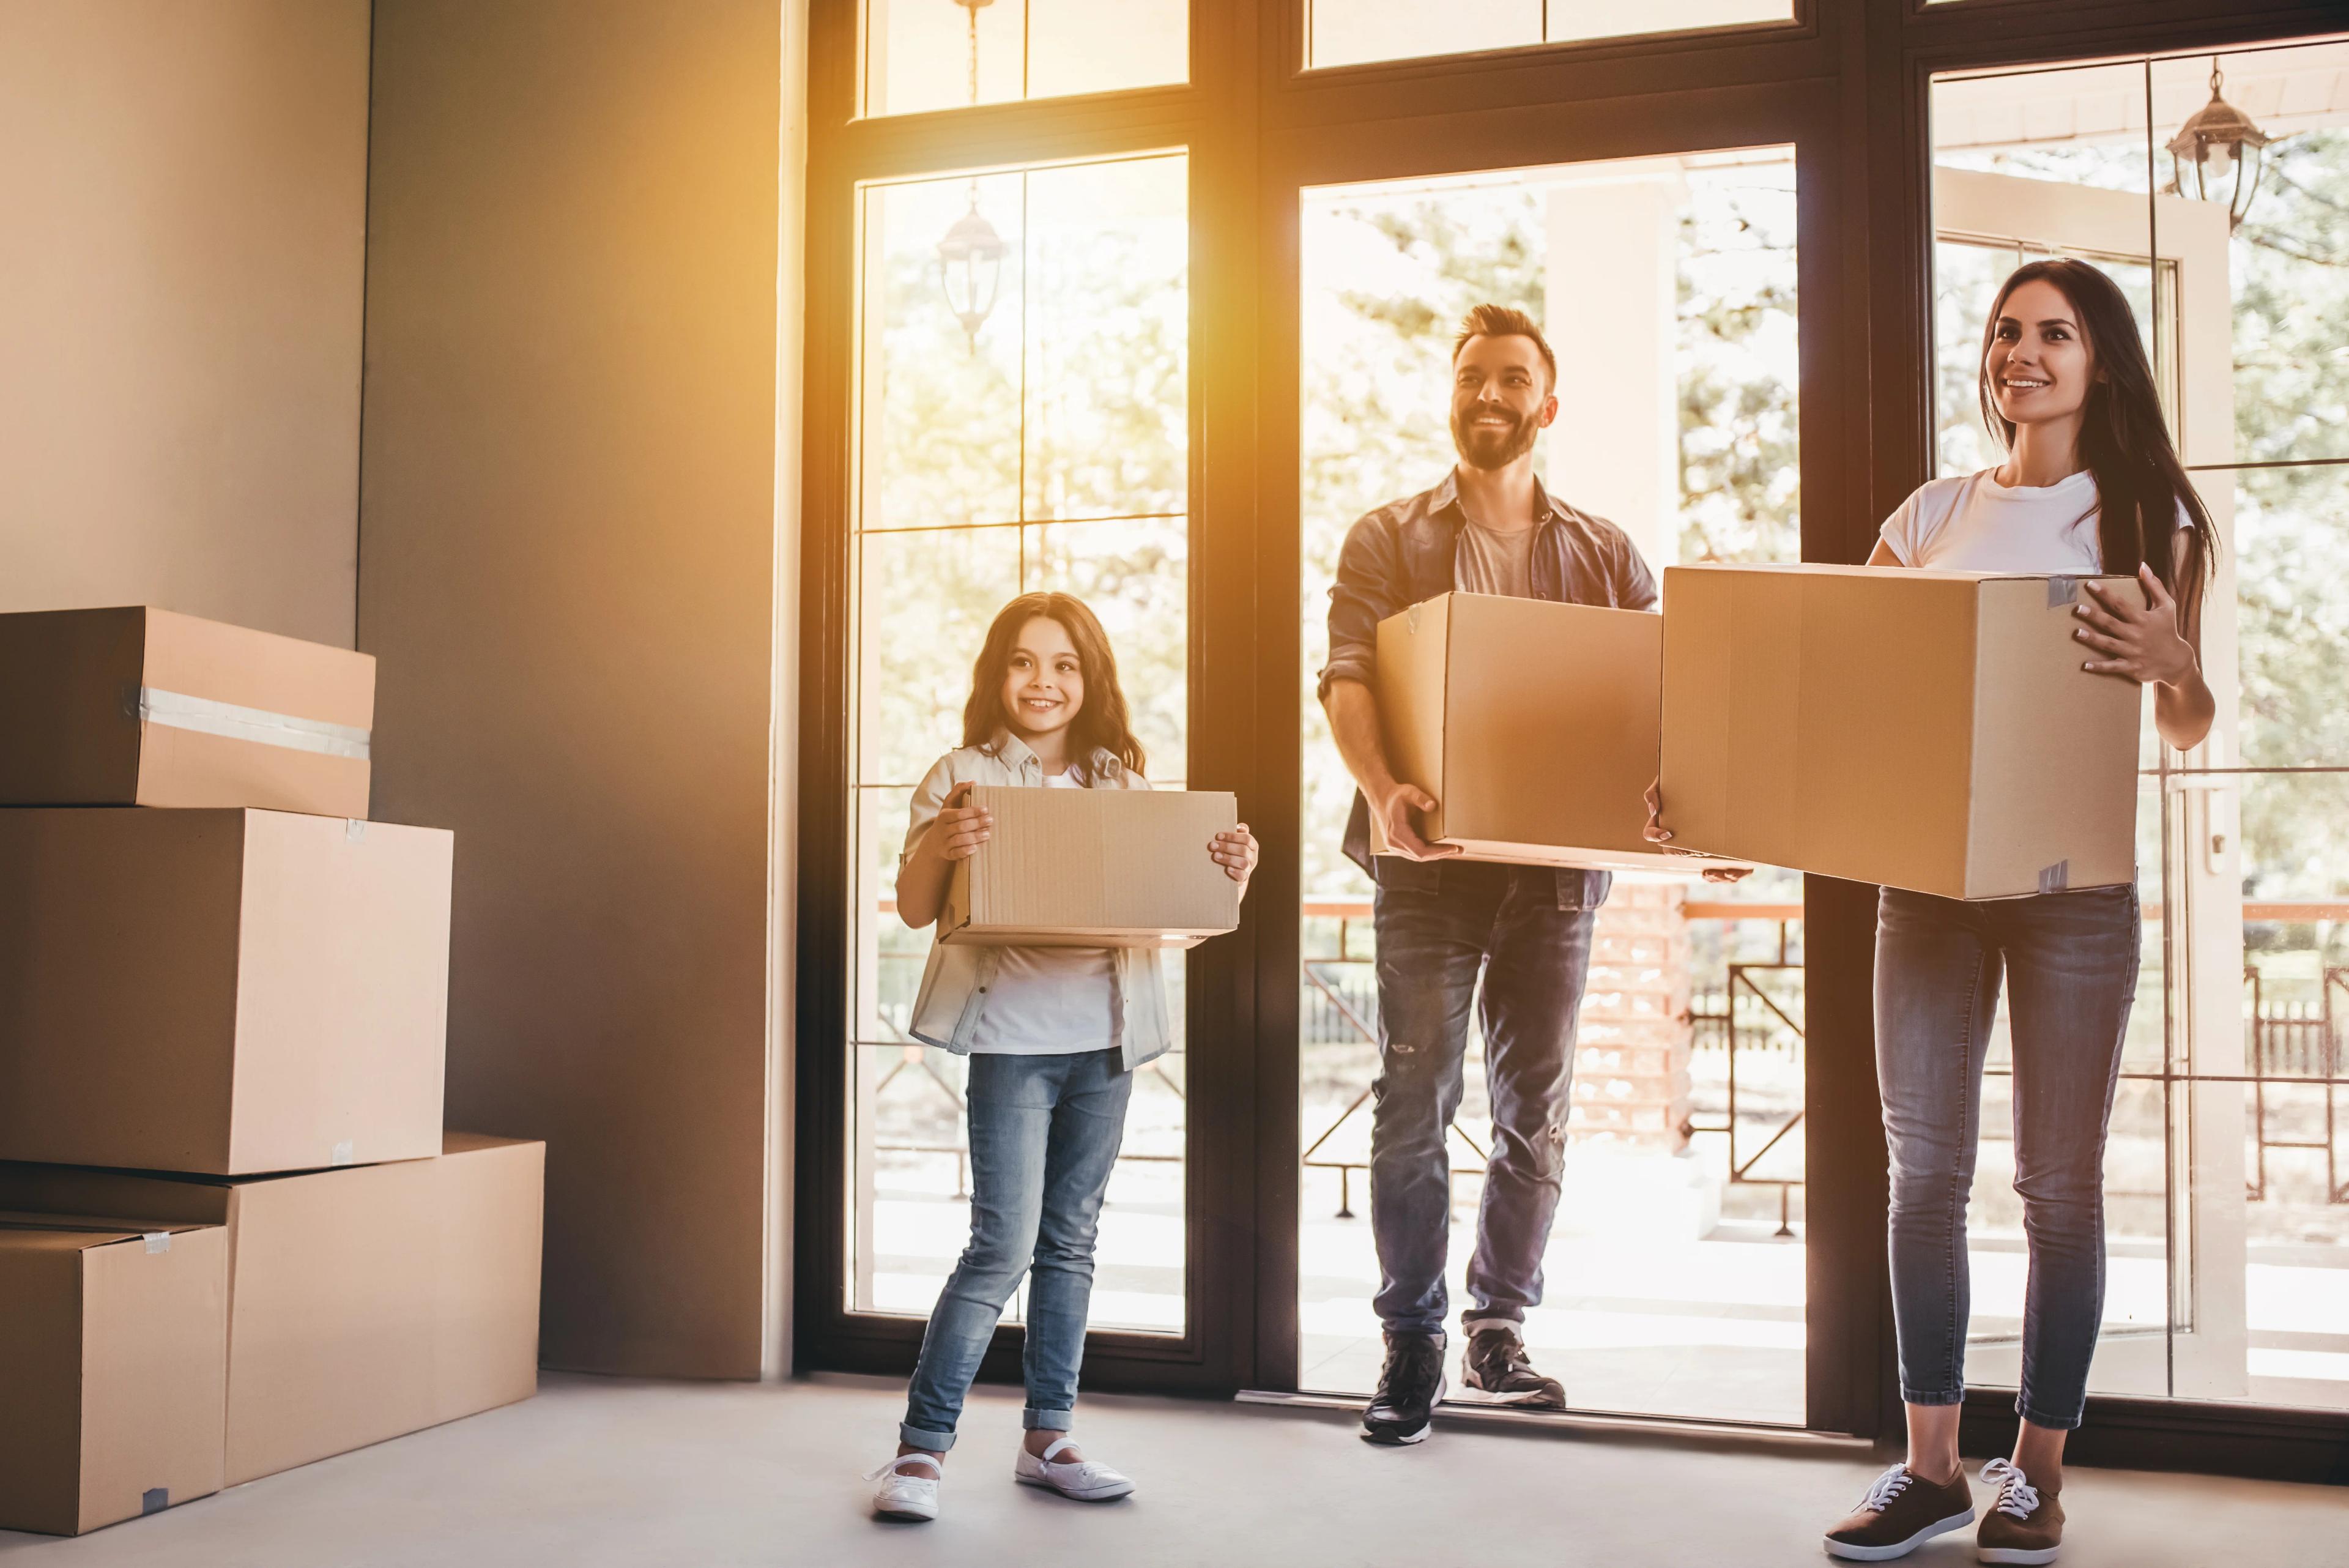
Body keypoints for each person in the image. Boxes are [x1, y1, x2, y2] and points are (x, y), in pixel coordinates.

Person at [1660, 258, 2214, 1564]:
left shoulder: (2143, 523)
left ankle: (2037, 1471)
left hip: (2076, 900)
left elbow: (2186, 724)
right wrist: (1738, 806)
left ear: (2100, 360)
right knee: (1924, 1177)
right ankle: (1926, 1470)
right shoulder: (1931, 516)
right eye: (2008, 332)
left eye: (2056, 334)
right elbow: (1832, 695)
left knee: (2058, 1187)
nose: (2024, 352)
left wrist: (2178, 665)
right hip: (1927, 888)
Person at [1318, 303, 1659, 1445]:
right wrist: (1381, 789)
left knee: (1536, 1115)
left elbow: (1655, 697)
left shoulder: (1607, 555)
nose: (1491, 394)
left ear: (1545, 406)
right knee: (1414, 1101)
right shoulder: (1386, 538)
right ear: (1452, 394)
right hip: (1428, 864)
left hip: (1556, 877)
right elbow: (1347, 677)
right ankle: (1410, 1342)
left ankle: (1498, 1330)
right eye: (1473, 376)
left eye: (1514, 379)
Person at [867, 592, 1259, 1523]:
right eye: (1024, 662)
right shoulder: (962, 776)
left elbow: (1177, 926)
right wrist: (939, 842)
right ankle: (919, 1453)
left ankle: (1049, 1438)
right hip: (1013, 1042)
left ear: (1091, 682)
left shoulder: (1122, 787)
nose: (1044, 682)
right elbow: (918, 906)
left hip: (1108, 1042)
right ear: (996, 675)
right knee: (1000, 1244)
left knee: (1071, 1242)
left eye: (1065, 665)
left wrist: (1225, 872)